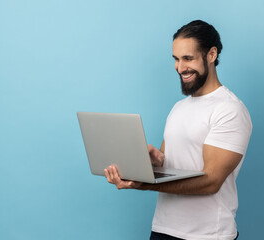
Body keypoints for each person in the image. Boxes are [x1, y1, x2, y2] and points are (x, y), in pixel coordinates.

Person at [104, 20, 252, 240]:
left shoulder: (230, 109)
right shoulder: (179, 107)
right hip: (164, 229)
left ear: (211, 55)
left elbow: (211, 181)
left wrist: (145, 185)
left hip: (208, 235)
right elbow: (170, 165)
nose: (180, 67)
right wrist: (148, 164)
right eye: (176, 59)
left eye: (188, 58)